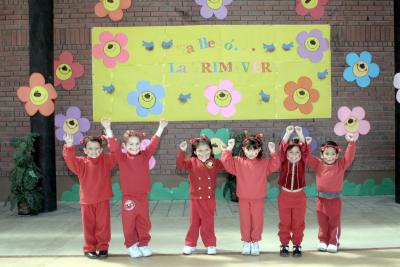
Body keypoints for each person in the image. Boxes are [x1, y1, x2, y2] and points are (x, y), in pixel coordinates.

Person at [101, 118, 168, 258]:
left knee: (144, 222)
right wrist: (108, 129)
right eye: (130, 144)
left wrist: (160, 128)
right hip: (129, 198)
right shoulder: (122, 157)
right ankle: (131, 245)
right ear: (125, 146)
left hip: (143, 197)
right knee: (129, 223)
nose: (134, 146)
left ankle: (143, 244)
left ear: (140, 145)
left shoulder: (145, 155)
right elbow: (113, 146)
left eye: (137, 144)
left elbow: (154, 144)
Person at [221, 131, 280, 256]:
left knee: (258, 220)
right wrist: (229, 149)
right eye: (249, 150)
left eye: (255, 150)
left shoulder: (264, 163)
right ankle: (246, 241)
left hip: (258, 198)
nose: (251, 153)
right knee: (245, 221)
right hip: (243, 198)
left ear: (259, 150)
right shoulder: (238, 161)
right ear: (243, 149)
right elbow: (226, 163)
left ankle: (255, 241)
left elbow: (275, 164)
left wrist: (273, 151)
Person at [62, 133, 117, 259]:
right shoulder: (81, 163)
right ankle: (89, 248)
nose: (94, 151)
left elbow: (116, 153)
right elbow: (70, 160)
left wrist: (109, 134)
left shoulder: (106, 160)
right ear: (85, 150)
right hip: (87, 201)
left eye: (97, 148)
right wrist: (69, 146)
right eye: (90, 149)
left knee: (103, 225)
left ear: (101, 150)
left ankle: (103, 247)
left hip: (103, 200)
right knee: (88, 226)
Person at [306, 133, 356, 253]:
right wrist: (307, 145)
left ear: (337, 155)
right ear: (322, 155)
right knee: (322, 222)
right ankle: (323, 240)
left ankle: (333, 241)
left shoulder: (341, 165)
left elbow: (349, 157)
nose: (330, 156)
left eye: (333, 154)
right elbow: (307, 157)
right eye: (327, 154)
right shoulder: (318, 164)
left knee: (334, 221)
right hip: (321, 200)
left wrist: (351, 143)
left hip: (334, 200)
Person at [176, 135, 225, 255]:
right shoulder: (191, 162)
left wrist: (226, 152)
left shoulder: (213, 162)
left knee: (208, 222)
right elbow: (180, 164)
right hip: (195, 198)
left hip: (209, 199)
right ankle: (190, 244)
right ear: (195, 151)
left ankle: (210, 244)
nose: (204, 153)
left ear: (211, 150)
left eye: (207, 150)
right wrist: (182, 151)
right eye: (200, 150)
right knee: (194, 222)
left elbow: (225, 164)